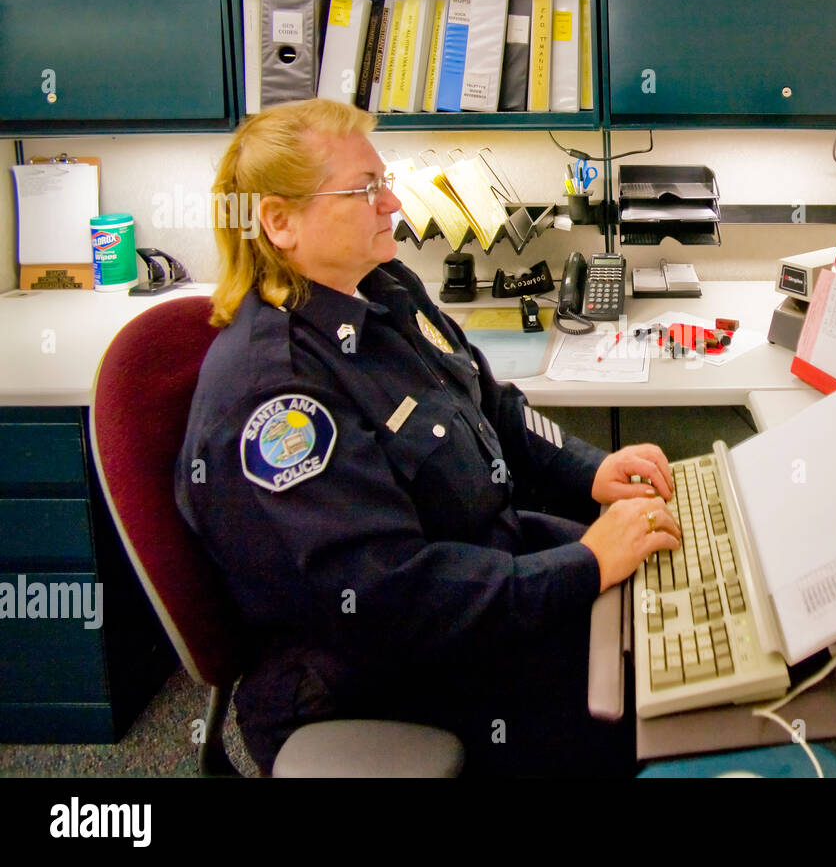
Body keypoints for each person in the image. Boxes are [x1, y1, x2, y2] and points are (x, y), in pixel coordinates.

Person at [175, 98, 682, 776]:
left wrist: (589, 470)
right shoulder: (279, 401)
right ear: (279, 221)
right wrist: (584, 565)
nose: (391, 202)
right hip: (382, 677)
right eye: (364, 190)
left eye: (384, 181)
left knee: (665, 580)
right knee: (664, 708)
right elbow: (390, 600)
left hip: (483, 570)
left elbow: (490, 403)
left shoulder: (382, 286)